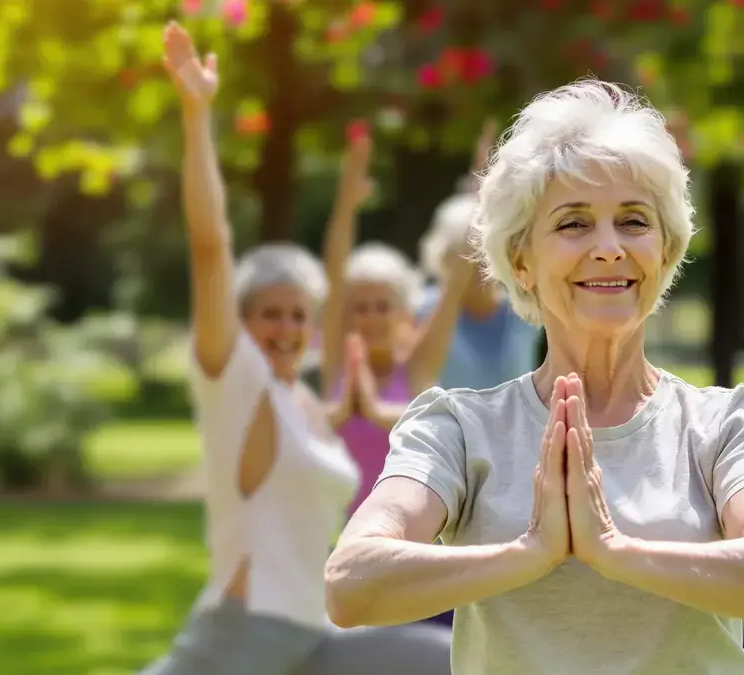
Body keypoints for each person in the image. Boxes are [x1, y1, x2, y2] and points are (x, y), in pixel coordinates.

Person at [323, 79, 744, 675]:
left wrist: (614, 550)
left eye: (634, 221)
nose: (610, 247)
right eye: (573, 224)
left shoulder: (727, 424)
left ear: (665, 250)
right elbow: (352, 584)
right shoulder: (456, 428)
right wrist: (530, 553)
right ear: (520, 261)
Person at [142, 22, 450, 675]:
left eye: (297, 316)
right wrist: (197, 116)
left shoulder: (302, 400)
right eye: (268, 314)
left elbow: (350, 423)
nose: (283, 328)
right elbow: (210, 245)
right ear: (243, 322)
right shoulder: (237, 381)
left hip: (311, 632)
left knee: (451, 661)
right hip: (245, 633)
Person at [319, 131, 474, 516]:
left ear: (404, 314)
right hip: (342, 537)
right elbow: (334, 275)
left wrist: (479, 198)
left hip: (410, 537)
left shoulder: (418, 365)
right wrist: (347, 202)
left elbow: (455, 285)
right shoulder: (339, 361)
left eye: (381, 307)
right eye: (361, 307)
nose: (370, 317)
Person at [416, 121, 543, 391]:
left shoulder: (519, 307)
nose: (472, 266)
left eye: (480, 254)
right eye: (463, 256)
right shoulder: (424, 310)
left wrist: (493, 189)